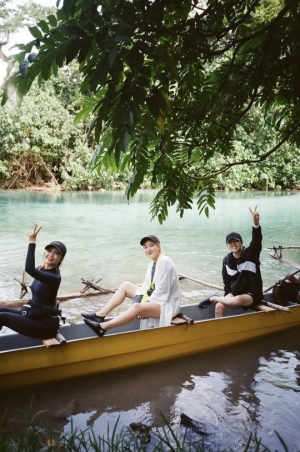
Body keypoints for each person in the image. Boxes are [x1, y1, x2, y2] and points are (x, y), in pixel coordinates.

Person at [81, 235, 181, 337]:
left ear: (158, 246)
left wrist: (141, 308)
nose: (148, 249)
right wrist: (137, 302)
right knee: (126, 285)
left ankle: (102, 327)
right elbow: (145, 288)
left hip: (167, 305)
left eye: (151, 246)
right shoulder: (152, 264)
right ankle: (100, 315)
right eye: (145, 247)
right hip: (156, 299)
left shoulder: (165, 261)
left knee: (137, 307)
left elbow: (161, 293)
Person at [0, 224, 67, 339]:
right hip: (35, 314)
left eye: (56, 253)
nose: (51, 255)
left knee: (2, 317)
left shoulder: (54, 277)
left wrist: (32, 242)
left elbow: (29, 269)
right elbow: (34, 269)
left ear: (61, 258)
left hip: (46, 325)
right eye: (49, 251)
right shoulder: (42, 268)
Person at [198, 206, 263, 318]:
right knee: (219, 306)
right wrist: (226, 295)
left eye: (236, 241)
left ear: (241, 242)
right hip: (235, 292)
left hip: (252, 293)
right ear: (227, 245)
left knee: (236, 300)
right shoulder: (226, 260)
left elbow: (257, 240)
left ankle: (212, 298)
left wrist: (256, 224)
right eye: (230, 242)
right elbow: (227, 283)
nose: (233, 244)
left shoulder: (251, 253)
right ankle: (221, 333)